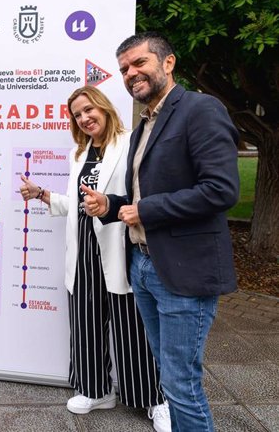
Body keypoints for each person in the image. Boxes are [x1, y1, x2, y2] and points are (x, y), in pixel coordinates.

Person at [82, 32, 239, 431]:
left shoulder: (201, 110)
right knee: (170, 374)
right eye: (123, 69)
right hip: (145, 267)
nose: (131, 73)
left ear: (167, 63)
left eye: (139, 63)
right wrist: (112, 206)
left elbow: (221, 190)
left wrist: (144, 210)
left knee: (179, 382)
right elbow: (143, 195)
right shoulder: (144, 126)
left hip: (184, 273)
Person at [19, 86, 170, 432]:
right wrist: (42, 194)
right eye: (77, 114)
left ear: (103, 108)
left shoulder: (130, 142)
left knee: (131, 328)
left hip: (119, 246)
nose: (84, 118)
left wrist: (112, 204)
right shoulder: (80, 153)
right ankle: (96, 390)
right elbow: (77, 205)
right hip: (83, 250)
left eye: (88, 110)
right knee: (85, 324)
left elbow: (139, 195)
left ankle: (155, 399)